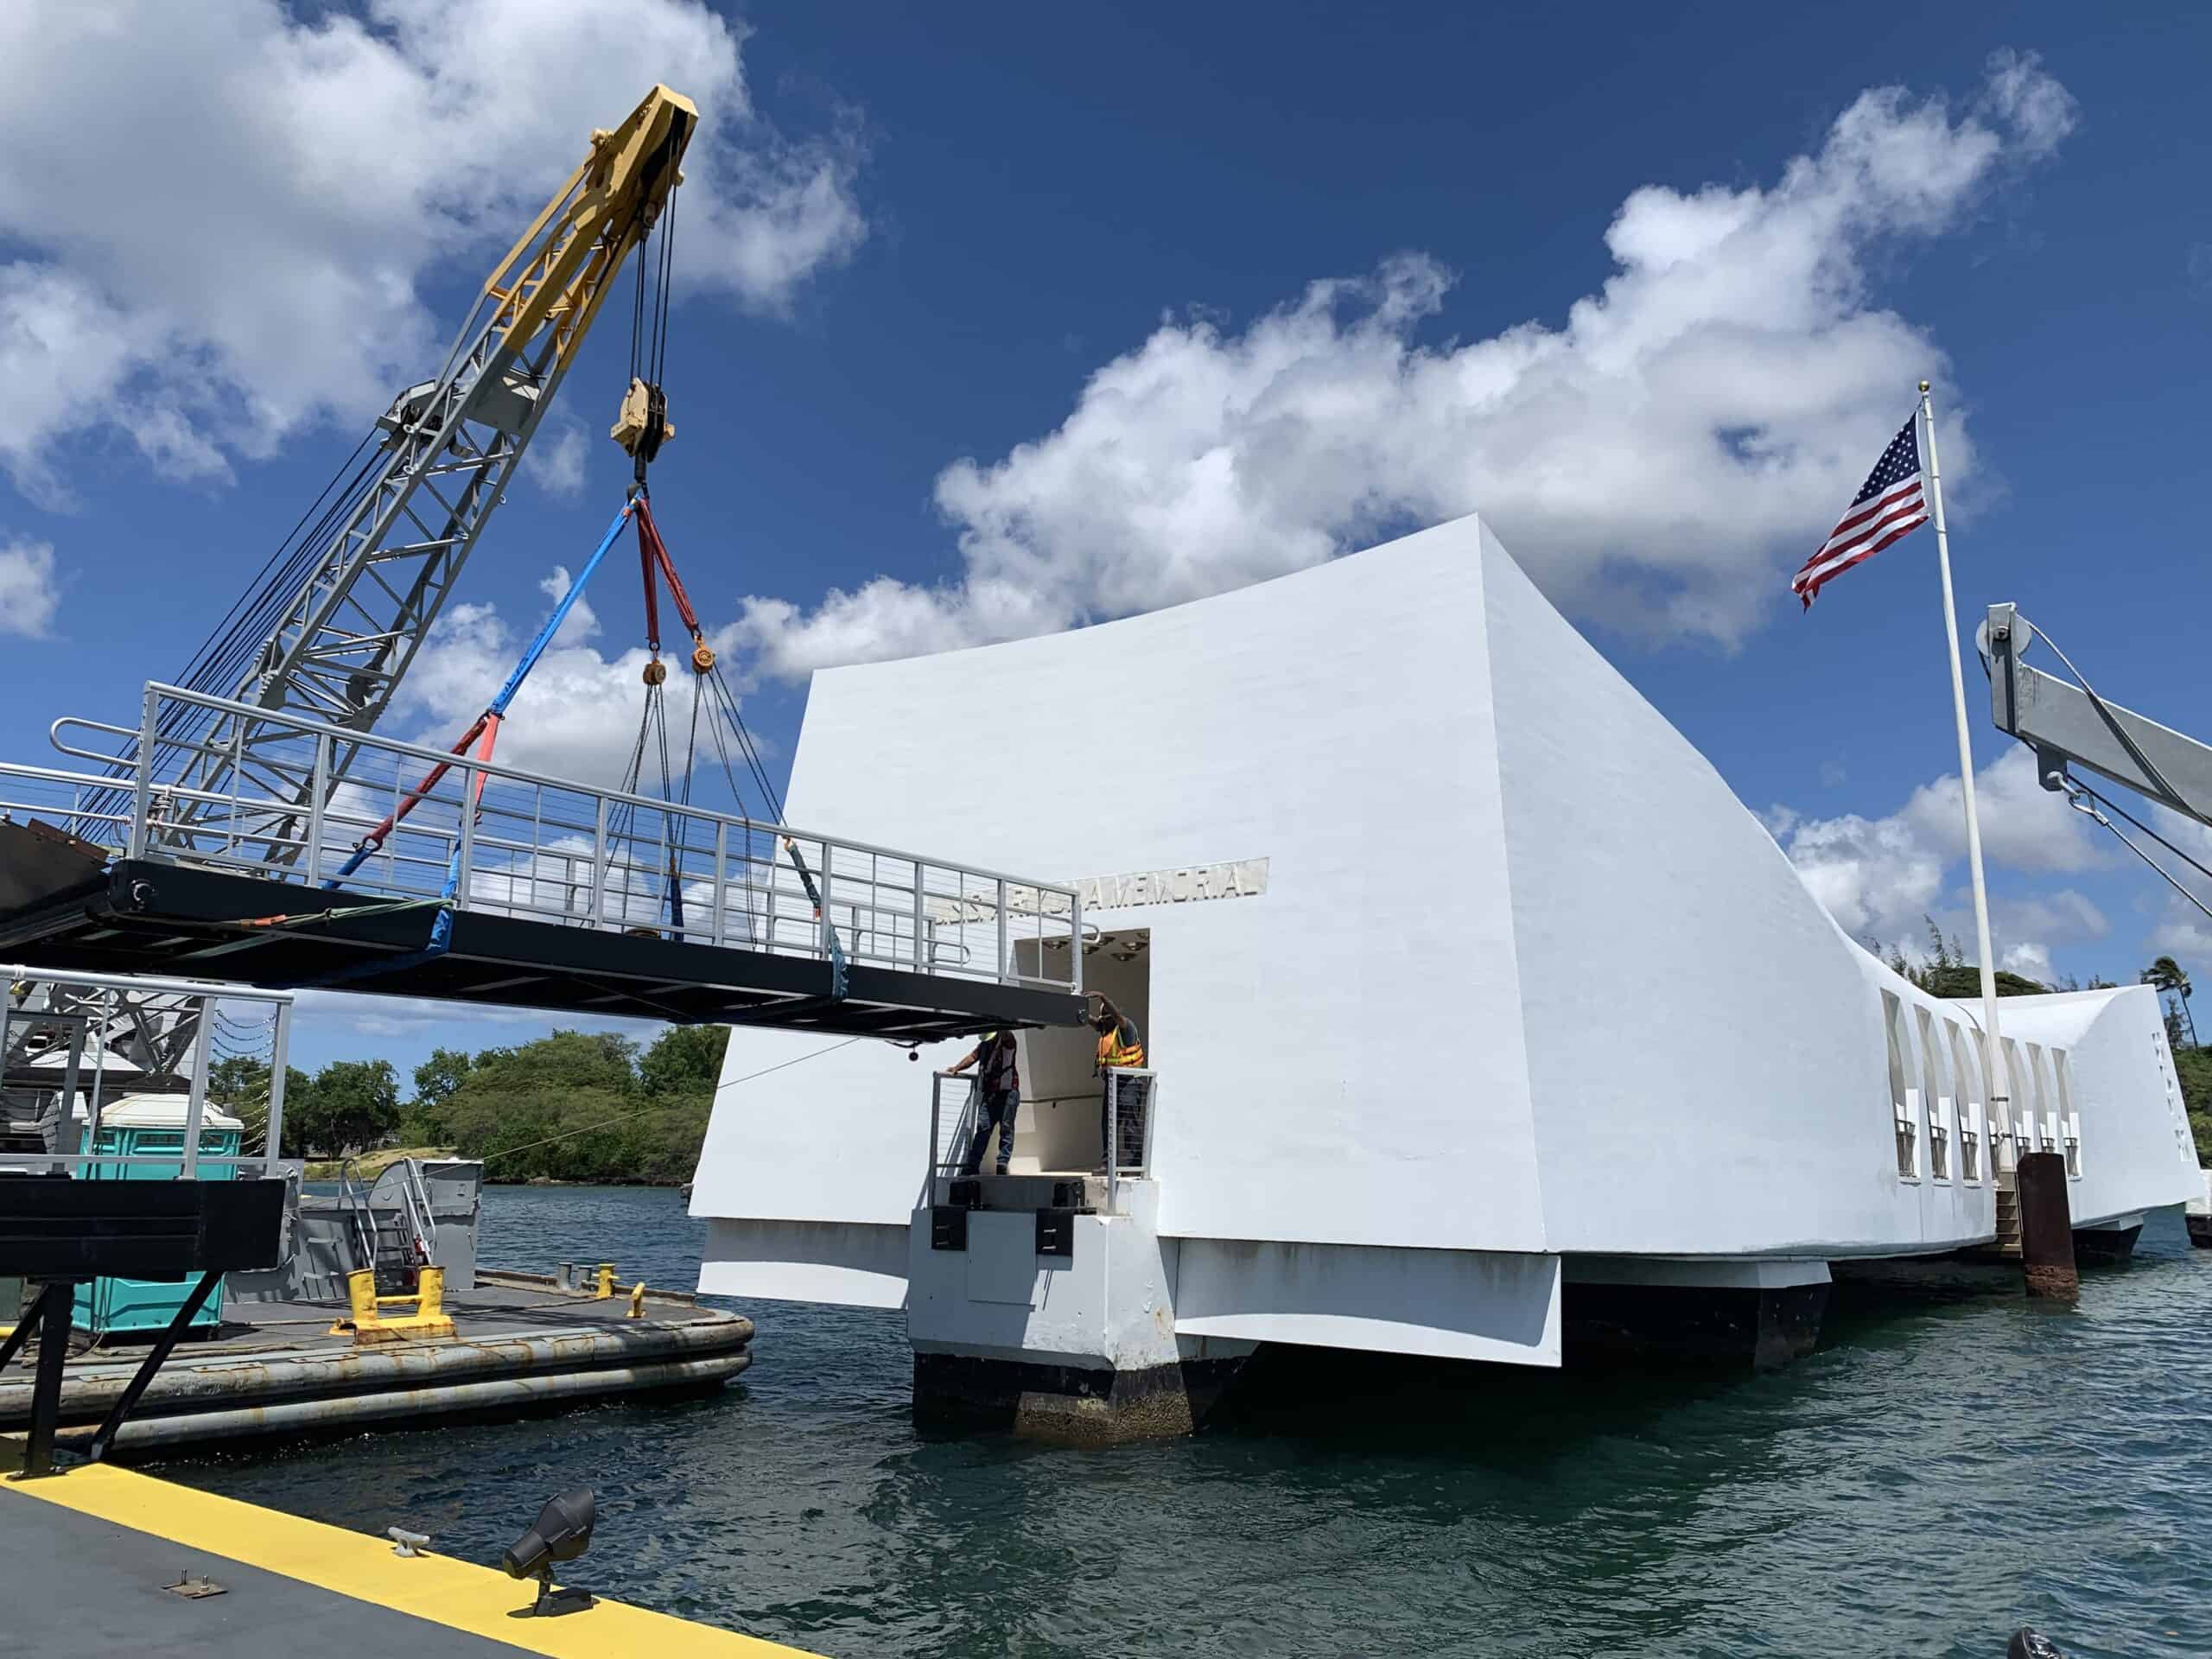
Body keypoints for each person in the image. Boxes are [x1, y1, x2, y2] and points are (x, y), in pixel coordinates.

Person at [947, 1028, 1020, 1177]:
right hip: (990, 1093)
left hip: (1008, 1093)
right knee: (983, 1128)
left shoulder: (1007, 1041)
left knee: (1006, 1129)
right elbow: (973, 1057)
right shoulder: (985, 1045)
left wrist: (1000, 1024)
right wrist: (957, 1068)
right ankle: (972, 1166)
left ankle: (1002, 1164)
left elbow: (1007, 1035)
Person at [1090, 995, 1147, 1169]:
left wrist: (1102, 997)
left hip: (1129, 1083)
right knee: (1108, 1123)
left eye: (1104, 1020)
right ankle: (1108, 1163)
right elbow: (1092, 1021)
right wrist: (1078, 1009)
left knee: (1130, 1124)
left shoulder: (1125, 1028)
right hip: (1112, 1082)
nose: (1101, 1024)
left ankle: (1132, 1164)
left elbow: (1116, 1017)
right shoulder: (1106, 1031)